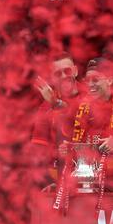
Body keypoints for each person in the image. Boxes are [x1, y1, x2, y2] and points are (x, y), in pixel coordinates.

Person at [60, 57, 113, 191]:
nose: (90, 84)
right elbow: (68, 139)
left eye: (95, 79)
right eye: (88, 80)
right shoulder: (78, 106)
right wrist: (66, 147)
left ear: (109, 79)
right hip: (85, 180)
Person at [30, 52, 82, 187]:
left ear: (75, 71)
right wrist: (50, 182)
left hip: (89, 176)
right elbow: (39, 150)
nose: (64, 76)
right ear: (52, 78)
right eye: (58, 74)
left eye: (67, 71)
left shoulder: (91, 96)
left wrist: (57, 104)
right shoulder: (45, 107)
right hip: (57, 179)